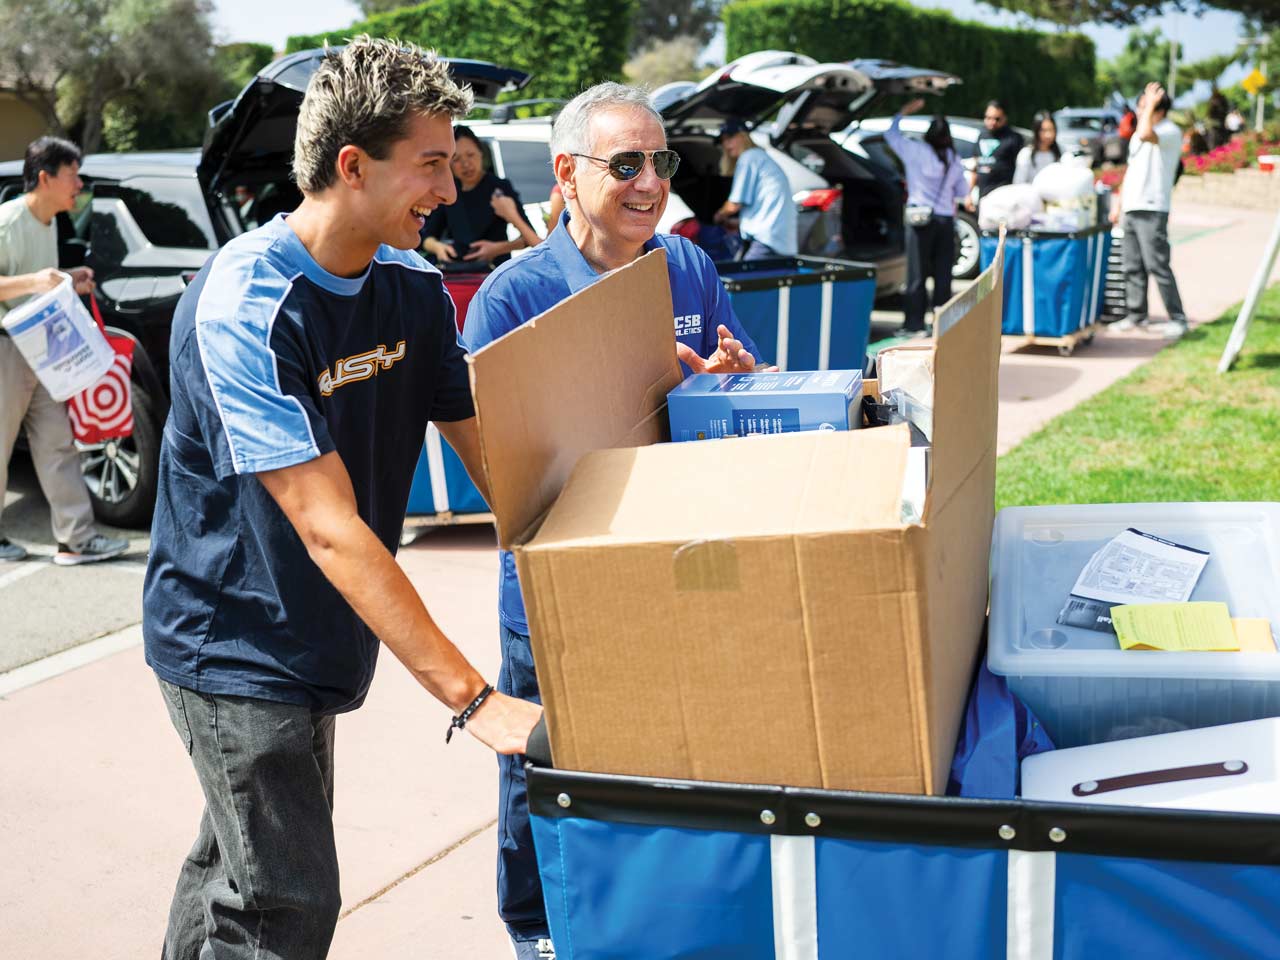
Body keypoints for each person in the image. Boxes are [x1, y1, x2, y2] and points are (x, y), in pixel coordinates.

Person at [143, 38, 542, 960]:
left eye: (453, 161)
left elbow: (491, 446)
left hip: (320, 627)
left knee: (234, 869)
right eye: (431, 163)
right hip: (230, 635)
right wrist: (476, 702)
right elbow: (327, 529)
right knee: (283, 904)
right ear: (353, 166)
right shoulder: (243, 306)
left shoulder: (410, 283)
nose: (450, 188)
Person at [462, 82, 768, 960]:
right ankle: (537, 927)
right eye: (625, 164)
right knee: (542, 761)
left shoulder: (690, 268)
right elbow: (506, 469)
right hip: (558, 578)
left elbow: (741, 386)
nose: (648, 184)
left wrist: (729, 379)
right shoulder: (512, 298)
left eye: (660, 163)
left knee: (666, 748)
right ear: (565, 173)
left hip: (675, 556)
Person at [0, 136, 129, 566]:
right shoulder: (8, 221)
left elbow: (36, 280)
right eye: (72, 175)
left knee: (58, 442)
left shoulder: (50, 221)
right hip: (7, 350)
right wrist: (38, 281)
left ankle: (75, 540)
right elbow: (24, 282)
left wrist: (68, 278)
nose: (79, 185)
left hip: (41, 351)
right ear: (45, 177)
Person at [1110, 82, 1188, 339]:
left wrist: (1151, 104)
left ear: (1158, 107)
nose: (1140, 104)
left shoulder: (1169, 131)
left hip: (1153, 207)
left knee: (1158, 265)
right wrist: (1119, 203)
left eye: (1146, 101)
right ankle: (1136, 315)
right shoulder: (1139, 132)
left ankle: (1178, 318)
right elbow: (1131, 171)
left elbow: (1145, 133)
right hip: (1132, 206)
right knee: (1132, 265)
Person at [885, 98, 968, 337]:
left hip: (920, 219)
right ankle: (942, 324)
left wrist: (903, 111)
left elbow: (891, 135)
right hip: (945, 220)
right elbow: (962, 192)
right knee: (943, 274)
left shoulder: (916, 150)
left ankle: (914, 324)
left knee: (917, 274)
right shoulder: (953, 158)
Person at [420, 124, 541, 271]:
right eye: (456, 159)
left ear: (481, 153)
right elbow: (427, 236)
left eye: (470, 155)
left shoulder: (499, 188)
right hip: (460, 274)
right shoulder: (450, 191)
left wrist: (497, 249)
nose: (466, 164)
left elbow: (528, 238)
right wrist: (439, 248)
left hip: (495, 271)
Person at [714, 118, 798, 259]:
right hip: (779, 239)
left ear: (743, 136)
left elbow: (734, 205)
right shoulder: (760, 157)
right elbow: (760, 206)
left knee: (742, 279)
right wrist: (738, 223)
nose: (726, 144)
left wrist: (718, 216)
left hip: (767, 239)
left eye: (730, 138)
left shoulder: (749, 157)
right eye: (723, 141)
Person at [969, 99, 1023, 206]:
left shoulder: (1013, 138)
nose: (992, 122)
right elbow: (975, 166)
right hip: (983, 197)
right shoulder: (982, 135)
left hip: (1003, 198)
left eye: (997, 119)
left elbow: (1021, 170)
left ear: (1005, 118)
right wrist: (968, 193)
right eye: (988, 118)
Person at [1014, 110, 1062, 184]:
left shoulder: (1061, 152)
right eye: (1044, 130)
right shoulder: (1026, 154)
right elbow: (1018, 182)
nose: (1048, 135)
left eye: (1051, 130)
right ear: (1036, 131)